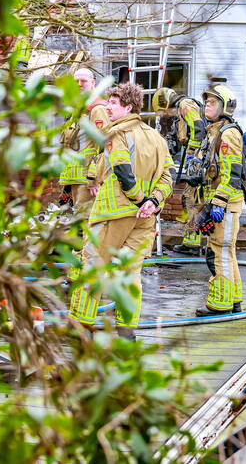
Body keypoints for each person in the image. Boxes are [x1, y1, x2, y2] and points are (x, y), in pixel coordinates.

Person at [68, 82, 174, 339]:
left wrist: (139, 200)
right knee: (130, 272)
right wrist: (153, 203)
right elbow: (167, 178)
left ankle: (80, 327)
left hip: (113, 215)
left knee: (93, 265)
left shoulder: (117, 134)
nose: (107, 106)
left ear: (128, 107)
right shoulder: (156, 137)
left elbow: (122, 171)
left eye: (113, 103)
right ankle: (127, 332)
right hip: (144, 219)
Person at [192, 83, 245, 316]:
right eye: (206, 102)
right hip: (218, 202)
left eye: (212, 102)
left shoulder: (229, 133)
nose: (207, 106)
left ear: (225, 107)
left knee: (218, 253)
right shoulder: (215, 130)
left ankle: (219, 306)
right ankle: (233, 302)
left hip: (226, 205)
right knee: (226, 252)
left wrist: (219, 203)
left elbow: (232, 174)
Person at [150, 87, 207, 256]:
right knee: (189, 199)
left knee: (190, 199)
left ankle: (193, 244)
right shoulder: (182, 109)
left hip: (197, 160)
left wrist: (192, 156)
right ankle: (192, 241)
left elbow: (198, 127)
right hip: (197, 159)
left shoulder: (185, 105)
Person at [58, 67, 110, 211]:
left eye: (83, 81)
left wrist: (94, 178)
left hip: (87, 181)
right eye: (76, 81)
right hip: (76, 179)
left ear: (93, 82)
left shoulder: (97, 109)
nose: (79, 84)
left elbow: (105, 145)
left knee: (86, 223)